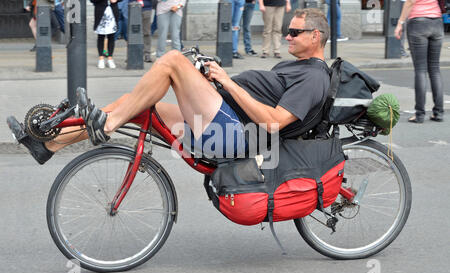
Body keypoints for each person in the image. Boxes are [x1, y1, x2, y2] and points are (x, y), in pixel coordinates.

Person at [7, 8, 331, 165]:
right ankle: (48, 145)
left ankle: (106, 125)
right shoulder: (295, 66)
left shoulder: (314, 76)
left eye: (294, 32)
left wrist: (228, 82)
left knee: (173, 60)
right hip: (222, 117)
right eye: (287, 31)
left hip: (235, 135)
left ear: (315, 37)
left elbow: (273, 122)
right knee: (131, 103)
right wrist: (210, 81)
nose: (287, 35)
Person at [395, 0, 444, 123]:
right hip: (437, 22)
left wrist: (400, 22)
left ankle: (419, 114)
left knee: (420, 70)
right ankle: (438, 112)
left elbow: (410, 1)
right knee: (435, 69)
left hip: (418, 22)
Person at [91, 0, 122, 69]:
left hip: (112, 11)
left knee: (111, 36)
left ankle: (110, 58)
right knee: (101, 36)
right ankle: (101, 58)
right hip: (100, 11)